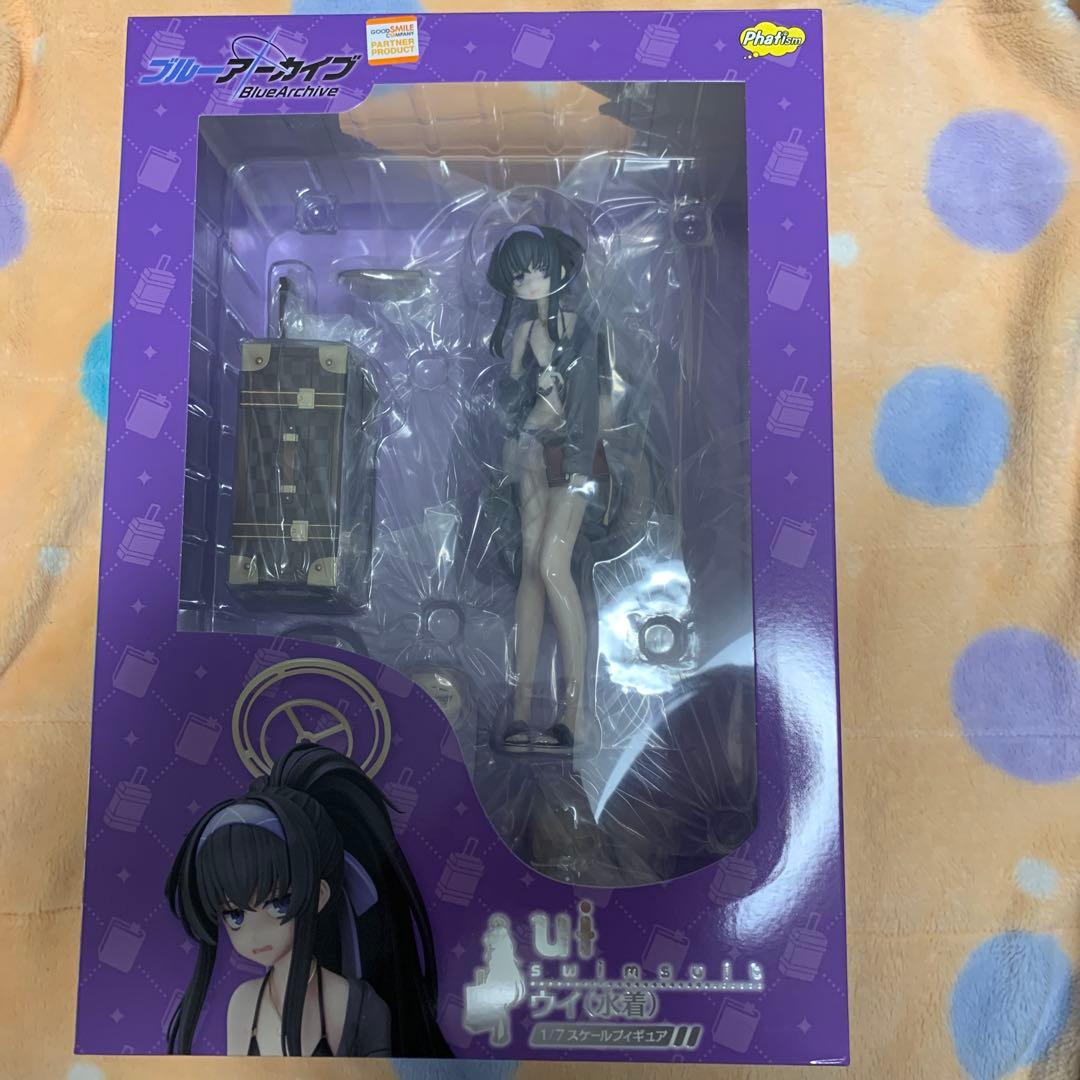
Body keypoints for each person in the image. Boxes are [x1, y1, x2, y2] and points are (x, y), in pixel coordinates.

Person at [164, 745, 452, 1057]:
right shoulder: (243, 1004)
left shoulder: (359, 1005)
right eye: (235, 915)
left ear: (320, 895)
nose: (255, 933)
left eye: (279, 903)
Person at [487, 224, 608, 752]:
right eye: (520, 276)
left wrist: (581, 465)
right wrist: (523, 379)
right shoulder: (521, 333)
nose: (532, 282)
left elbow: (587, 405)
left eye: (539, 270)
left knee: (554, 566)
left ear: (557, 269)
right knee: (531, 572)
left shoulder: (579, 328)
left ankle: (573, 716)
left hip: (571, 458)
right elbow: (510, 403)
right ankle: (520, 712)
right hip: (530, 453)